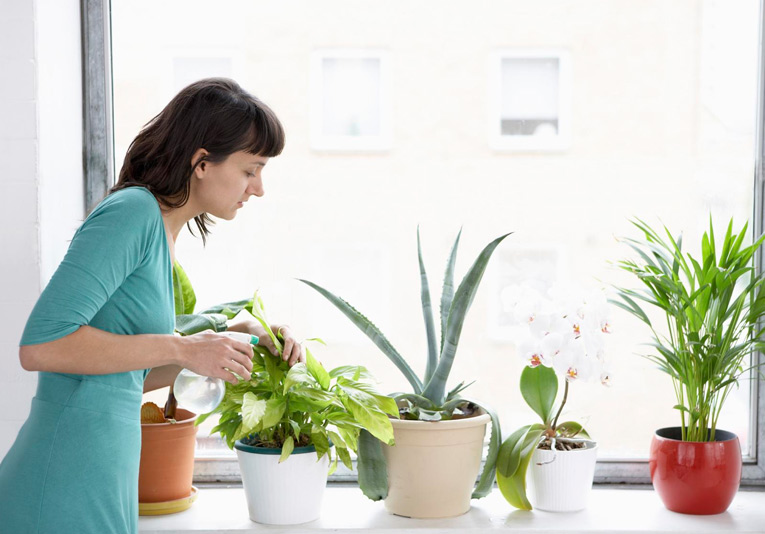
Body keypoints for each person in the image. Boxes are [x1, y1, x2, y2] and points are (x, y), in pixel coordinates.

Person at [0, 78, 304, 534]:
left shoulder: (162, 233)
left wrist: (231, 343)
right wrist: (184, 348)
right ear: (202, 162)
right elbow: (42, 345)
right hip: (64, 477)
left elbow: (125, 375)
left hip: (103, 473)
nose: (258, 188)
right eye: (250, 169)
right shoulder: (133, 213)